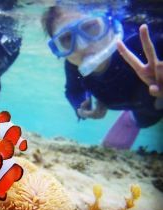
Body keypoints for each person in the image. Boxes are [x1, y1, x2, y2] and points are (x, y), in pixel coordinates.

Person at [41, 5, 163, 147]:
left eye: (90, 27)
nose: (82, 46)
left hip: (152, 107)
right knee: (143, 120)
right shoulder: (74, 65)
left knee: (147, 118)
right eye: (67, 38)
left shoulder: (145, 43)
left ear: (110, 24)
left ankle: (135, 117)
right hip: (135, 106)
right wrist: (82, 105)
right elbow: (73, 91)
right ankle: (133, 119)